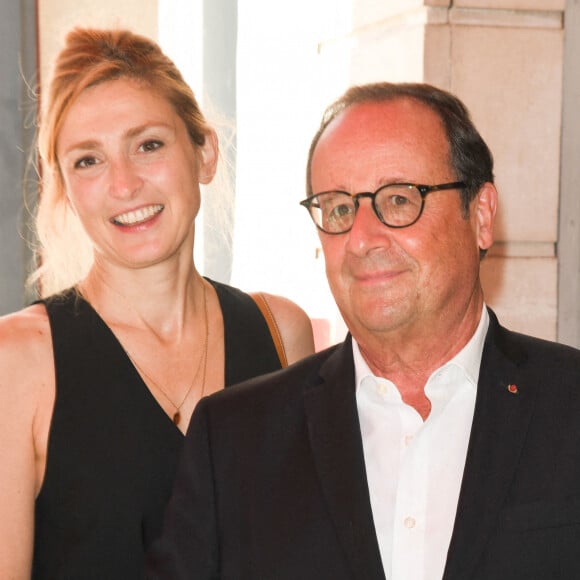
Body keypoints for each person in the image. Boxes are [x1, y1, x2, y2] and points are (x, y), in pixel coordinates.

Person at [145, 81, 580, 580]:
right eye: (339, 208)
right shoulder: (234, 441)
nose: (362, 238)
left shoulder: (569, 404)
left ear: (480, 216)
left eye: (398, 200)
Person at [0, 27, 315, 580]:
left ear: (205, 153)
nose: (124, 185)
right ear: (65, 190)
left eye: (148, 145)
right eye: (88, 161)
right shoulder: (18, 360)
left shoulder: (281, 332)